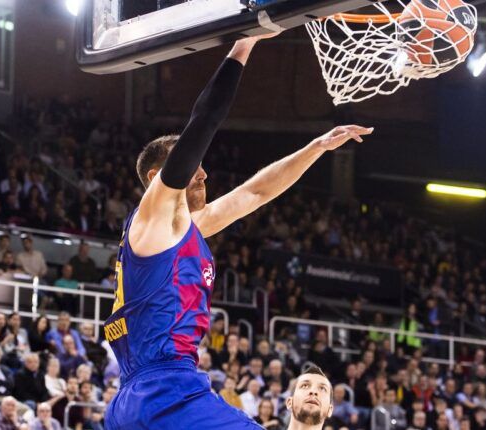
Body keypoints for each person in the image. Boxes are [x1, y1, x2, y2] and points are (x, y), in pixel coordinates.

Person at [103, 34, 372, 429]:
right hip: (166, 390)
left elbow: (255, 192)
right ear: (158, 178)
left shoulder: (180, 228)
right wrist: (244, 44)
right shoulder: (155, 215)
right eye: (195, 168)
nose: (205, 174)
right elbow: (205, 120)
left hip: (136, 399)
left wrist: (315, 148)